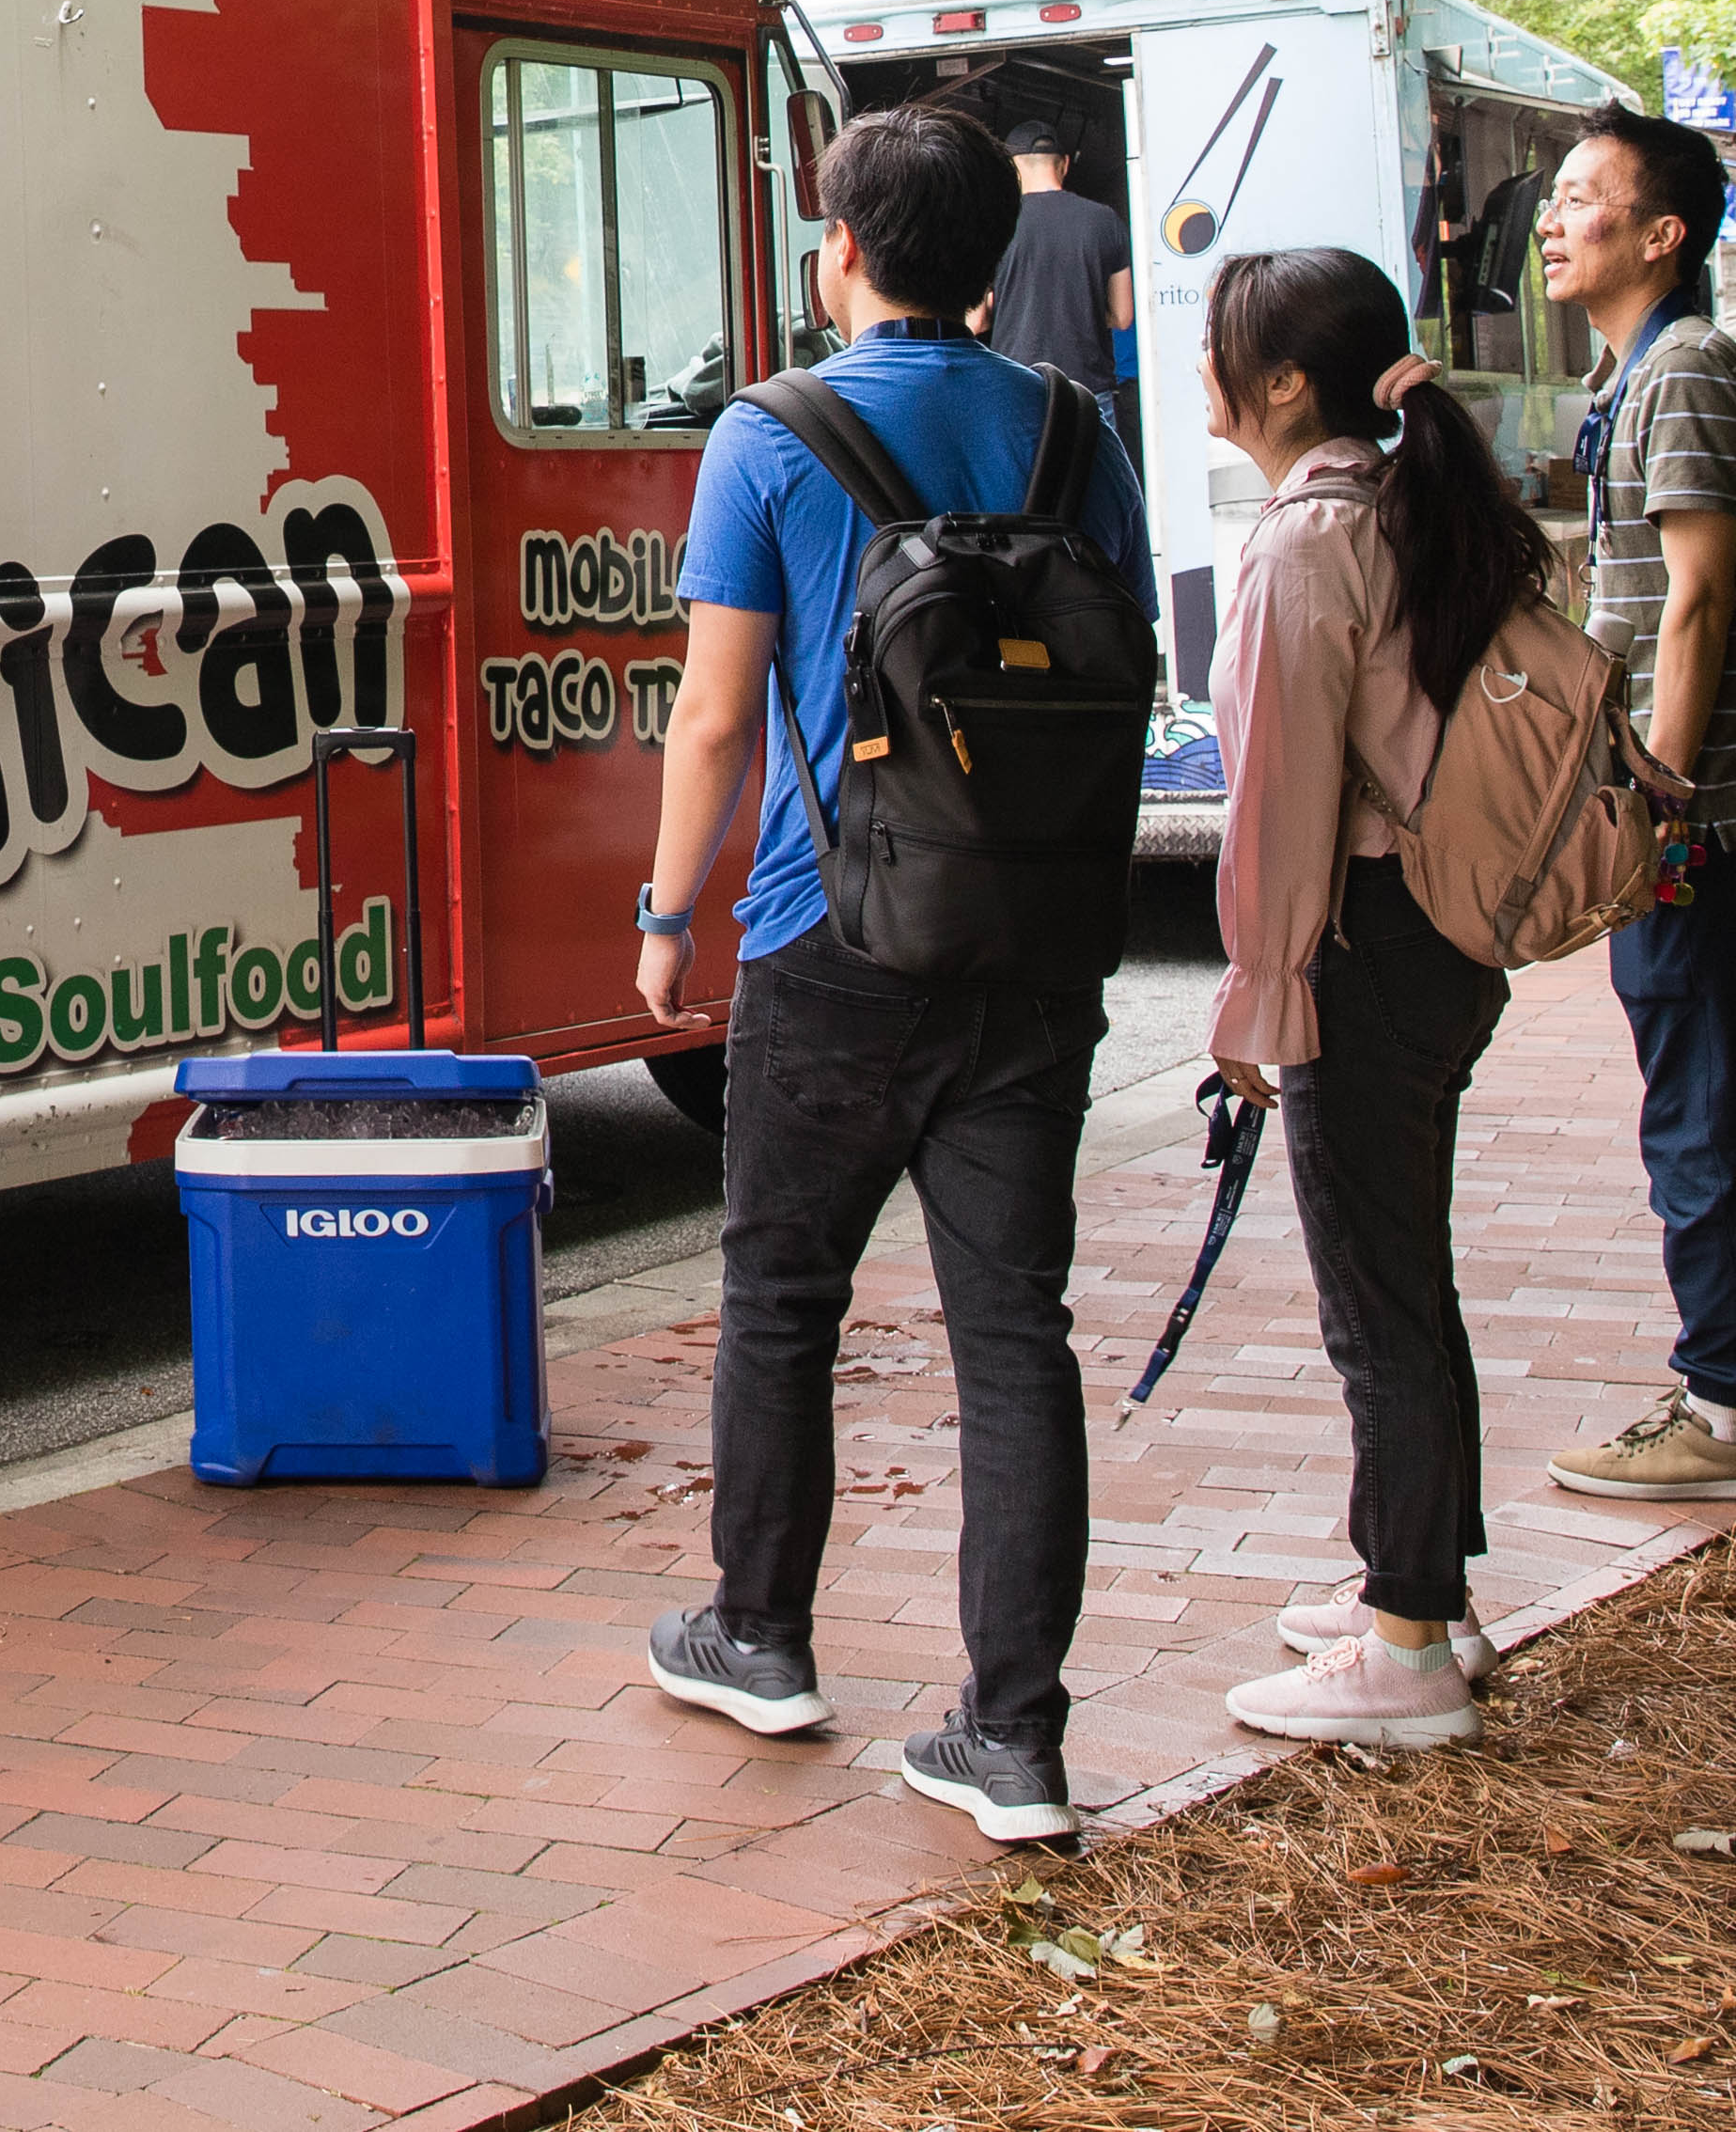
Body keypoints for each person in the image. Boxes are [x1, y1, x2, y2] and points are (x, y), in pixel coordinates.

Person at [626, 102, 1154, 1843]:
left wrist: (662, 908)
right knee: (1014, 1337)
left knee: (783, 1296)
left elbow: (714, 710)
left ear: (832, 249)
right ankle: (1010, 1739)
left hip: (823, 934)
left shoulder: (767, 436)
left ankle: (758, 1635)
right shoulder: (1075, 435)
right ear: (995, 265)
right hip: (1033, 938)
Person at [1198, 248, 1550, 1748]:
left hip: (1357, 939)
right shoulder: (1409, 502)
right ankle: (1420, 1581)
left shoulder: (1301, 543)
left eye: (1222, 347)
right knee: (1411, 1270)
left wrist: (1260, 1001)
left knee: (1375, 1295)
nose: (1202, 368)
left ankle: (1407, 1644)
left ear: (1283, 382)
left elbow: (1279, 800)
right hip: (1440, 934)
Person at [1541, 104, 1736, 1502]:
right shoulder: (1639, 375)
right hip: (1711, 805)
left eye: (1583, 194)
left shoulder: (1691, 368)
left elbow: (1699, 597)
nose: (1552, 216)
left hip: (1701, 814)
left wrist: (1652, 794)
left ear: (1660, 233)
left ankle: (1723, 1411)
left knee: (1700, 1105)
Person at [981, 117, 1140, 462]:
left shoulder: (994, 224)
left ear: (1012, 168)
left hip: (1017, 387)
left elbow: (975, 321)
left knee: (1024, 500)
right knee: (1098, 493)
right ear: (1065, 164)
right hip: (1088, 390)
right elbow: (1123, 315)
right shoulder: (1104, 220)